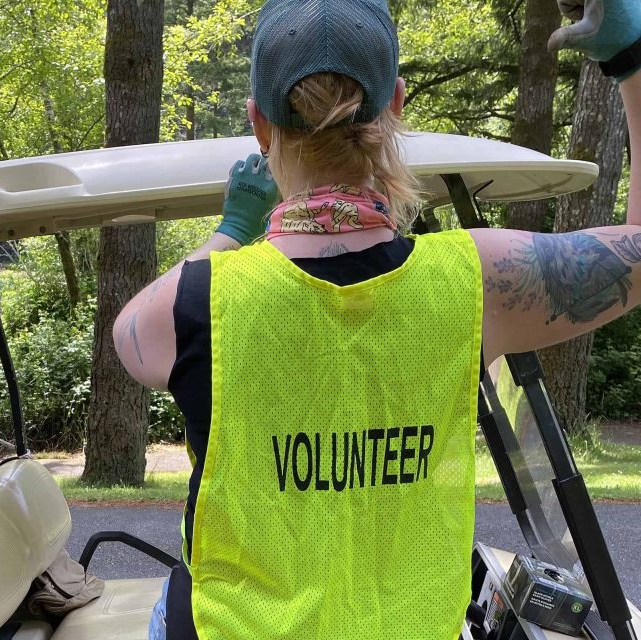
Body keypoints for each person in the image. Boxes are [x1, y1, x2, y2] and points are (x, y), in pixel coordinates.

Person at [117, 0, 641, 638]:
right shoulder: (476, 280)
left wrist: (231, 231)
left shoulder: (192, 304)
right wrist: (632, 63)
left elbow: (128, 332)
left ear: (259, 124)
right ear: (395, 104)